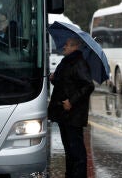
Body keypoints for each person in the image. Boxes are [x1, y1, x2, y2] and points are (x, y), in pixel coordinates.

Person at [48, 37, 95, 178]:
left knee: (76, 150)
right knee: (68, 149)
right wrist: (53, 77)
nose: (64, 47)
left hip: (74, 114)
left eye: (67, 45)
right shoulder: (66, 61)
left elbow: (88, 85)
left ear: (75, 47)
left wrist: (72, 101)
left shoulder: (79, 63)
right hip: (63, 113)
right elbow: (63, 82)